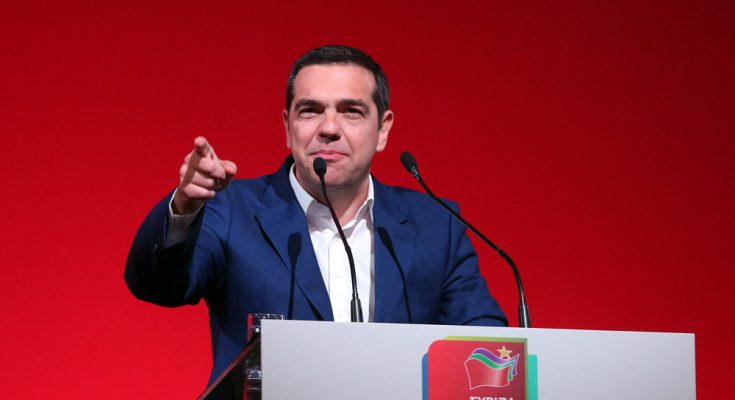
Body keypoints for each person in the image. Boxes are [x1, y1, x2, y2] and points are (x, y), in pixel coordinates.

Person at [124, 45, 507, 384]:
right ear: (287, 126)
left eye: (351, 111)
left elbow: (484, 341)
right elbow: (157, 285)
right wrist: (185, 206)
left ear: (383, 130)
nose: (329, 128)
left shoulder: (435, 225)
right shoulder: (231, 210)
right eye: (311, 111)